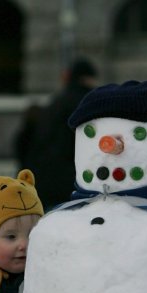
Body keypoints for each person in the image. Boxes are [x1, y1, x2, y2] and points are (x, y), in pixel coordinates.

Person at [20, 57, 97, 209]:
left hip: (44, 184)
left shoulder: (53, 104)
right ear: (88, 79)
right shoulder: (89, 104)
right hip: (73, 186)